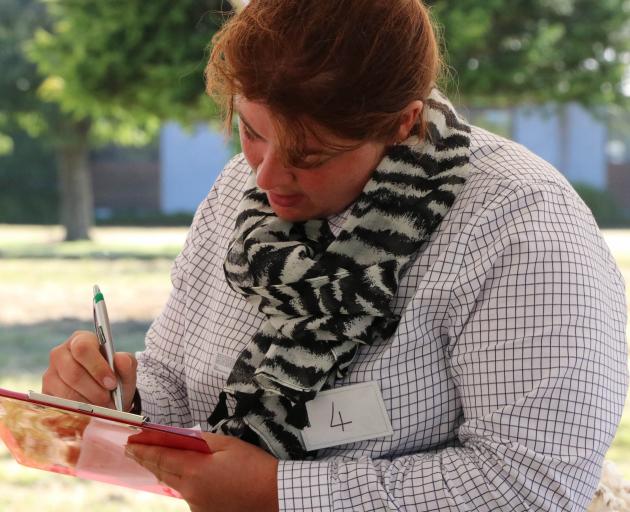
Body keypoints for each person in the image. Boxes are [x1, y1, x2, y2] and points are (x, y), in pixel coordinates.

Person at [42, 1, 628, 511]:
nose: (266, 174)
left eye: (312, 154)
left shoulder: (521, 226)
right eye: (251, 132)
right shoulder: (240, 195)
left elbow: (532, 486)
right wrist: (120, 395)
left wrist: (280, 495)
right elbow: (181, 379)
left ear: (401, 123)